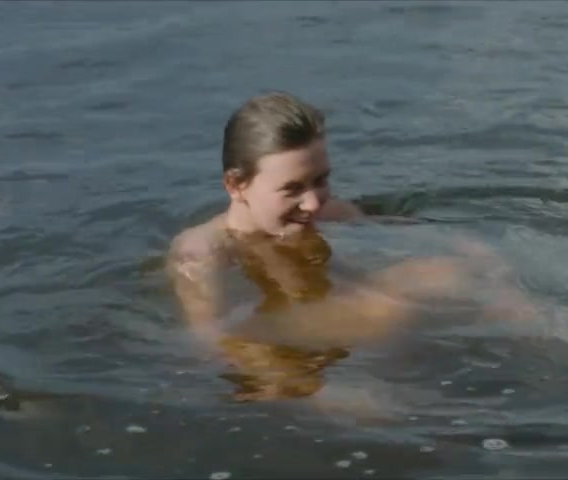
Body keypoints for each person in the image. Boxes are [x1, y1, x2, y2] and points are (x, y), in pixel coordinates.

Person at [166, 91, 537, 405]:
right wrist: (319, 392)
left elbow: (423, 236)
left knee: (452, 273)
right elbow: (210, 342)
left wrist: (499, 277)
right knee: (393, 309)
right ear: (236, 185)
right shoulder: (202, 252)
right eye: (292, 189)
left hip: (335, 330)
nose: (313, 203)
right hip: (281, 354)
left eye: (320, 180)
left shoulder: (329, 213)